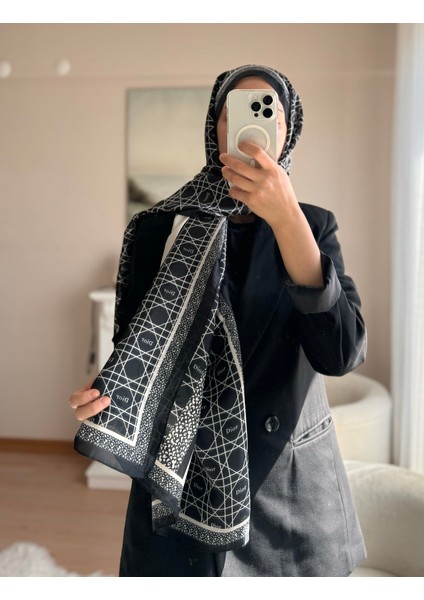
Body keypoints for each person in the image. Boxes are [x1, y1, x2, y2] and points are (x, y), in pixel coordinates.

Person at [69, 64, 367, 577]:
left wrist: (287, 218)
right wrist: (108, 398)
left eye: (269, 112)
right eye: (237, 112)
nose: (253, 125)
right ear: (215, 127)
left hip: (286, 490)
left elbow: (340, 352)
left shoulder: (312, 226)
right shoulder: (158, 228)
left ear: (288, 131)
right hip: (177, 482)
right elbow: (139, 353)